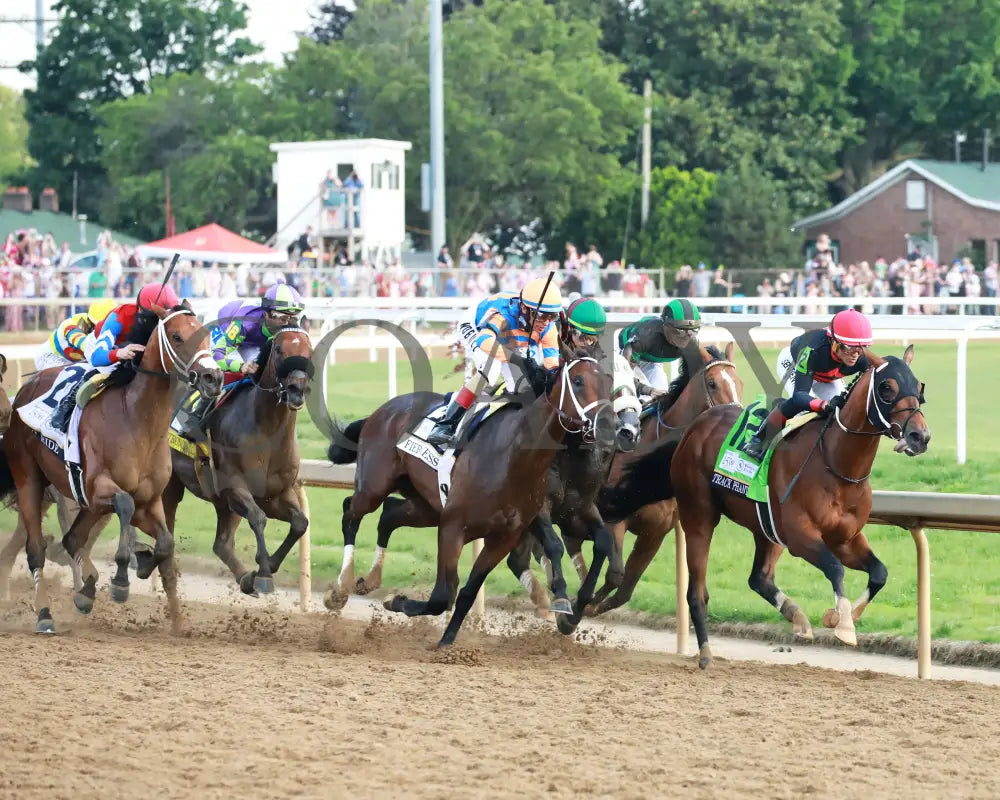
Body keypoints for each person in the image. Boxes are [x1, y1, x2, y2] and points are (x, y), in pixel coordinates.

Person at [425, 278, 562, 447]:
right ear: (525, 309)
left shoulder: (548, 327)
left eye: (552, 316)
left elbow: (551, 365)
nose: (546, 322)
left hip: (512, 335)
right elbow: (485, 341)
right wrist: (517, 360)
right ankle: (446, 424)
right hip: (477, 327)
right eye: (542, 316)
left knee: (525, 386)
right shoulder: (502, 315)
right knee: (490, 370)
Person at [176, 283, 305, 440]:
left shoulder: (283, 329)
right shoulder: (245, 323)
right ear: (266, 315)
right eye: (283, 317)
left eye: (294, 318)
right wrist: (240, 366)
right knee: (224, 372)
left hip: (255, 341)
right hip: (223, 328)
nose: (289, 323)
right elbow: (217, 356)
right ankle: (195, 419)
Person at [48, 282, 180, 430]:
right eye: (156, 318)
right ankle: (65, 408)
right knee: (105, 370)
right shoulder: (118, 318)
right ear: (142, 311)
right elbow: (97, 357)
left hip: (133, 342)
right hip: (103, 347)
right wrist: (119, 353)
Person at [745, 309, 873, 460]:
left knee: (842, 411)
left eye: (861, 348)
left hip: (827, 377)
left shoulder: (862, 358)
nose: (855, 354)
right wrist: (823, 404)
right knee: (804, 410)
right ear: (834, 342)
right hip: (793, 364)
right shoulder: (812, 349)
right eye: (849, 347)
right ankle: (759, 440)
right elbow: (800, 396)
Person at [616, 298, 702, 398]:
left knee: (662, 395)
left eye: (693, 330)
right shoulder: (647, 336)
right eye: (680, 330)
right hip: (622, 353)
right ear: (665, 326)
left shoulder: (691, 344)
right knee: (636, 397)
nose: (687, 336)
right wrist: (646, 390)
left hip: (650, 360)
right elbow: (624, 375)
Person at [34, 299, 118, 371]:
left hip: (73, 361)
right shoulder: (71, 326)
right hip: (49, 357)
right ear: (92, 322)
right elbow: (87, 346)